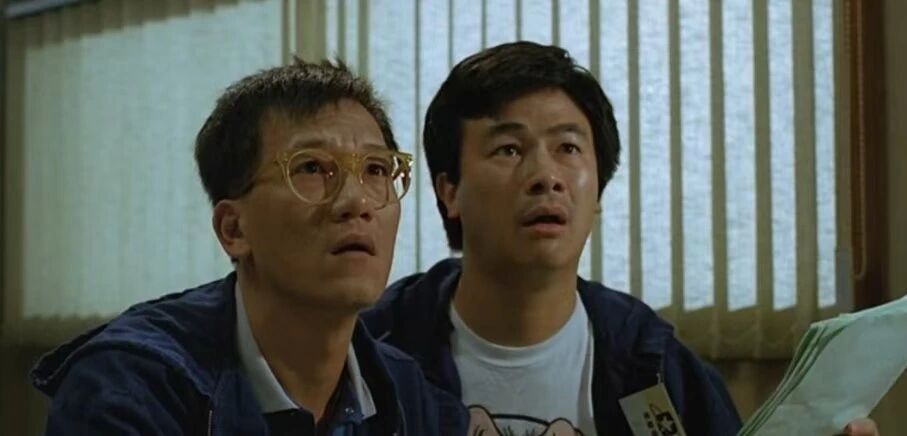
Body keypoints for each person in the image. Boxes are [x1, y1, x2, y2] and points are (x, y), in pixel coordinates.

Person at [361, 41, 880, 436]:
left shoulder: (653, 364)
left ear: (599, 190)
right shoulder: (374, 352)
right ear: (449, 190)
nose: (546, 176)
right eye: (509, 150)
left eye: (568, 148)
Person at [30, 59, 465, 435]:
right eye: (312, 168)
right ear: (233, 229)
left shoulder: (405, 390)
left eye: (376, 170)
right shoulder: (134, 385)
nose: (357, 202)